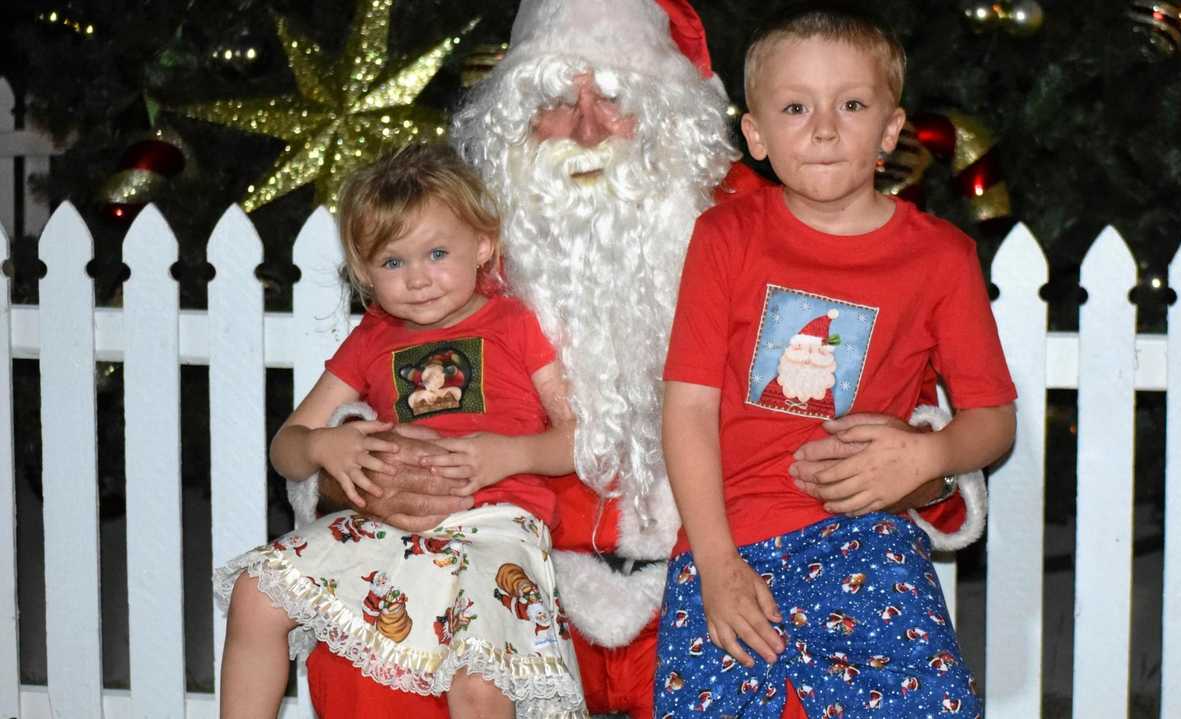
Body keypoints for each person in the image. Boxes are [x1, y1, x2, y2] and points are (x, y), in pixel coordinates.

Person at [295, 1, 992, 716]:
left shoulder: (766, 217)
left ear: (669, 110)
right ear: (515, 116)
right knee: (368, 659)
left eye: (618, 97)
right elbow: (376, 380)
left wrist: (920, 470)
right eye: (559, 101)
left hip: (718, 578)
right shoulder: (466, 243)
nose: (590, 128)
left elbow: (907, 374)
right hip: (524, 588)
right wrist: (362, 474)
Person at [657, 5, 1017, 717]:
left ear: (889, 129)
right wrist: (715, 562)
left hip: (865, 536)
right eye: (795, 107)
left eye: (851, 104)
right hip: (730, 536)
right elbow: (688, 406)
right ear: (755, 135)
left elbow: (993, 420)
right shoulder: (724, 235)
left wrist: (927, 456)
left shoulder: (942, 257)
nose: (823, 127)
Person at [214, 142, 586, 719]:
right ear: (365, 272)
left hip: (495, 529)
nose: (418, 279)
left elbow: (581, 438)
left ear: (482, 246)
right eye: (393, 263)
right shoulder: (373, 339)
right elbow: (286, 447)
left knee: (480, 683)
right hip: (389, 529)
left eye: (437, 252)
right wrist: (322, 444)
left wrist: (508, 455)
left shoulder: (515, 323)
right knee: (256, 594)